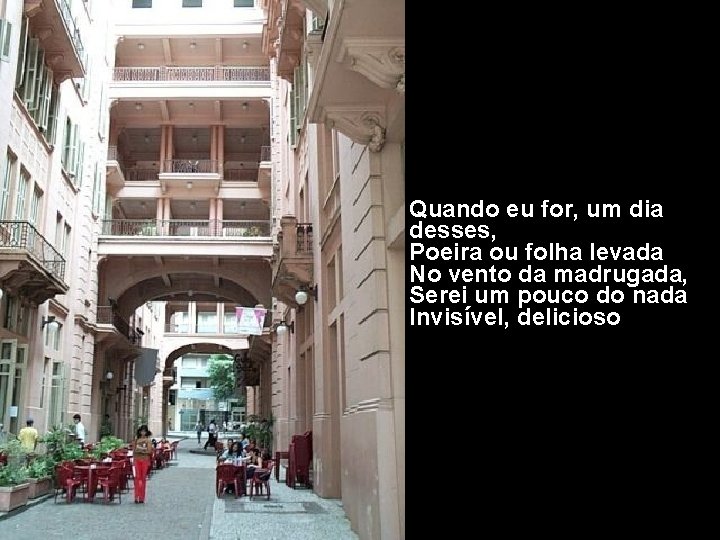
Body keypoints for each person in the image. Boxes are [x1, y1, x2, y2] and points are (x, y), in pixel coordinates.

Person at [133, 425, 153, 503]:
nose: (143, 433)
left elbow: (149, 451)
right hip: (137, 460)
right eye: (142, 431)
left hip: (145, 460)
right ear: (140, 432)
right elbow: (134, 450)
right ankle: (136, 496)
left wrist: (140, 450)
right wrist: (141, 450)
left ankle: (141, 497)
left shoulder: (148, 440)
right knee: (137, 478)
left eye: (144, 431)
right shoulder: (136, 440)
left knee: (143, 478)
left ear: (146, 432)